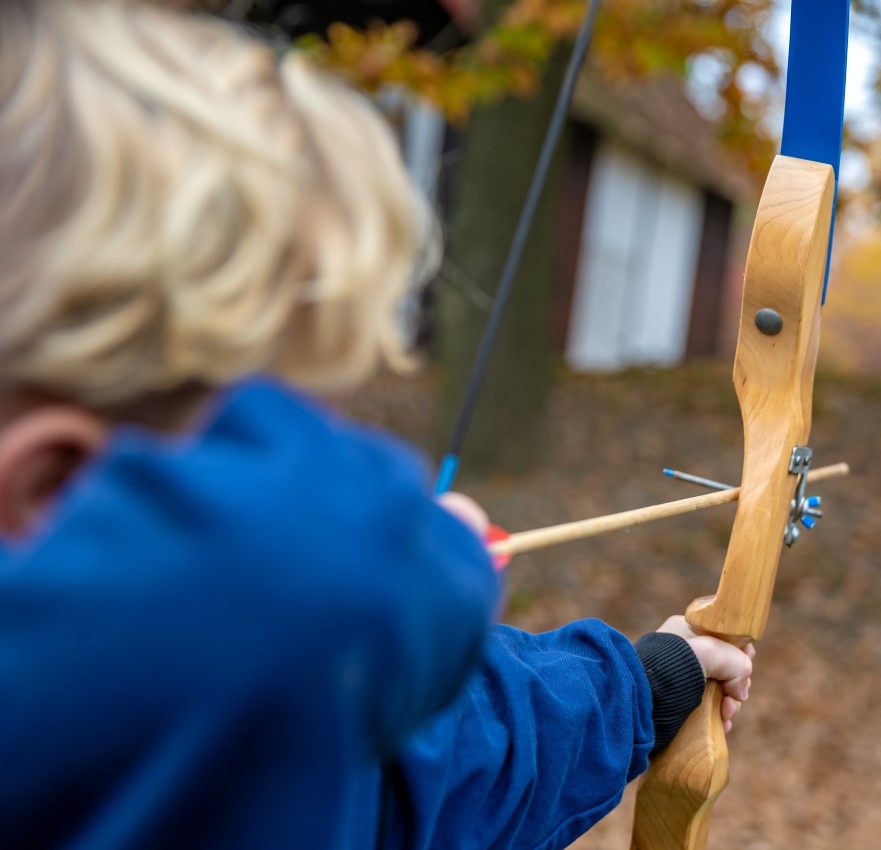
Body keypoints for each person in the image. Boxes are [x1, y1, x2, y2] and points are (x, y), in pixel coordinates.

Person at [0, 1, 753, 848]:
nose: (330, 454)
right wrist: (416, 574)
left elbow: (425, 772)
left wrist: (645, 683)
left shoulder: (246, 721)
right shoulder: (256, 646)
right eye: (281, 436)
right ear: (51, 488)